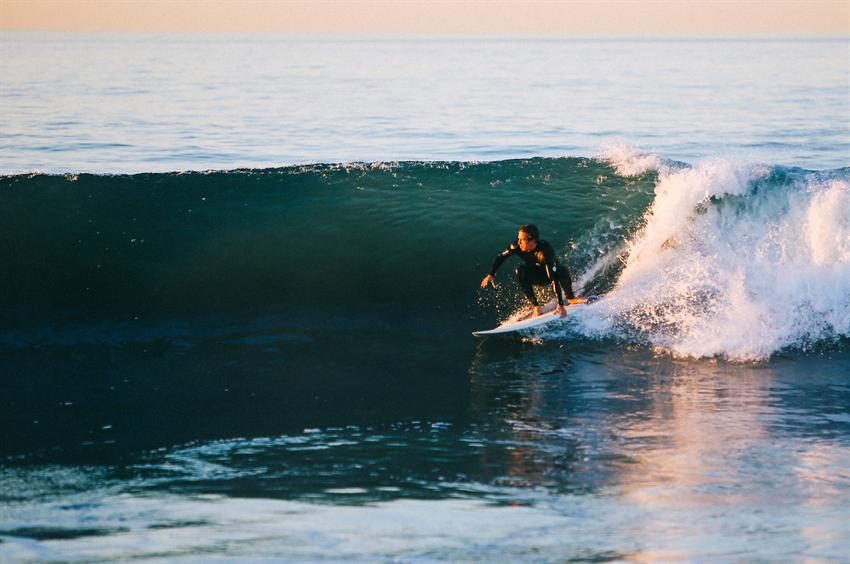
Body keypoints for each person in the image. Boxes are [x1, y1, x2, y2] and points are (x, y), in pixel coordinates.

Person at [480, 224, 586, 317]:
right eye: (518, 238)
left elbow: (552, 279)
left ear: (532, 240)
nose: (519, 242)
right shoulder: (517, 246)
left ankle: (570, 298)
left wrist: (560, 305)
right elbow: (501, 256)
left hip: (552, 275)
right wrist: (491, 274)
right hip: (536, 275)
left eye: (522, 240)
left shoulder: (544, 253)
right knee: (519, 271)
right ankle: (536, 306)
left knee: (562, 271)